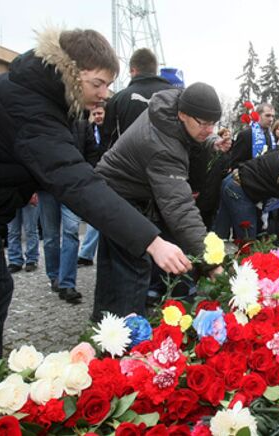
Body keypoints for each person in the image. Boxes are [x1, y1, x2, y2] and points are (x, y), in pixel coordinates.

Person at [0, 27, 190, 376]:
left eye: (108, 84)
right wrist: (151, 241)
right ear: (71, 71)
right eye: (98, 83)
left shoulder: (45, 93)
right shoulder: (32, 105)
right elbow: (76, 181)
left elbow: (71, 168)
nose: (104, 94)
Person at [93, 82, 223, 321]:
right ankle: (125, 334)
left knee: (118, 265)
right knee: (133, 267)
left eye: (213, 123)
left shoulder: (173, 108)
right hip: (117, 194)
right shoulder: (163, 147)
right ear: (183, 114)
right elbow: (180, 209)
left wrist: (206, 141)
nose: (209, 129)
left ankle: (105, 318)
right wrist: (212, 263)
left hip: (132, 191)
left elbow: (189, 137)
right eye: (203, 123)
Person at [101, 48, 173, 148]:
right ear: (155, 70)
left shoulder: (118, 100)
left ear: (133, 71)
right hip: (172, 161)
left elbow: (108, 144)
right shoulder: (178, 96)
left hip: (129, 161)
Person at [78, 105, 107, 266]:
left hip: (108, 177)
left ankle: (86, 254)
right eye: (94, 114)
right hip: (94, 177)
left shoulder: (111, 131)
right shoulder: (88, 129)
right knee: (96, 218)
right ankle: (86, 254)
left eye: (100, 113)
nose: (97, 116)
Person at [228, 103, 277, 169]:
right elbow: (235, 163)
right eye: (267, 115)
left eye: (273, 116)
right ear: (258, 116)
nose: (271, 119)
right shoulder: (245, 135)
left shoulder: (272, 137)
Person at [6, 193, 40, 273]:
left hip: (28, 193)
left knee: (30, 230)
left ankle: (32, 259)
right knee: (12, 231)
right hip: (11, 195)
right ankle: (14, 260)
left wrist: (33, 192)